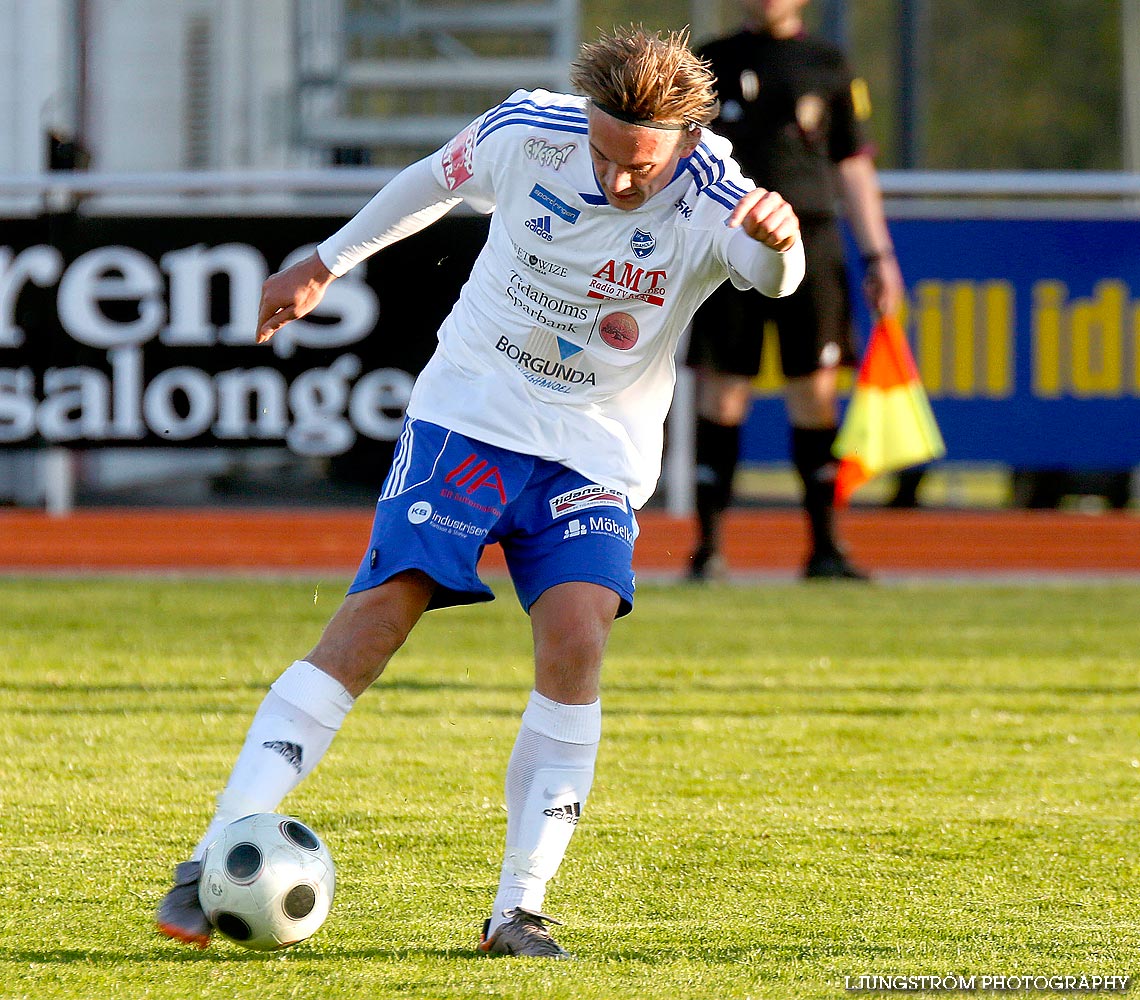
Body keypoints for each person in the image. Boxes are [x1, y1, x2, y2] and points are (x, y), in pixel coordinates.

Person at [155, 26, 804, 959]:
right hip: (470, 416)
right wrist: (326, 260)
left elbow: (769, 278)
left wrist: (778, 246)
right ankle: (216, 849)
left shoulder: (717, 197)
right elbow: (433, 179)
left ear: (689, 140)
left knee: (578, 643)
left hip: (592, 453)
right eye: (607, 154)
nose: (621, 180)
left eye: (641, 166)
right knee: (375, 623)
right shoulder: (528, 131)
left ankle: (519, 911)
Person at [685, 0, 904, 581]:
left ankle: (826, 548)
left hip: (813, 239)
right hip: (728, 242)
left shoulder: (827, 63)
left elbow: (852, 164)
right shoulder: (710, 60)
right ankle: (708, 550)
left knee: (815, 392)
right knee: (723, 393)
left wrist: (877, 254)